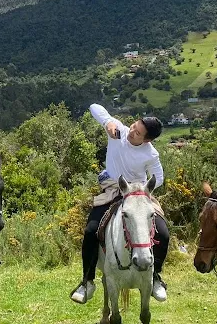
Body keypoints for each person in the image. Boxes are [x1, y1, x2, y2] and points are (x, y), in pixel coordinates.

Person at [71, 104, 169, 304]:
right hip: (113, 190)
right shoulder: (119, 131)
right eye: (134, 126)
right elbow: (94, 107)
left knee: (163, 233)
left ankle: (155, 277)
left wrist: (140, 189)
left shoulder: (151, 154)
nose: (132, 132)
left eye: (138, 133)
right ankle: (87, 281)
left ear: (147, 140)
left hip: (138, 194)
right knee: (91, 230)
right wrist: (108, 122)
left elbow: (158, 178)